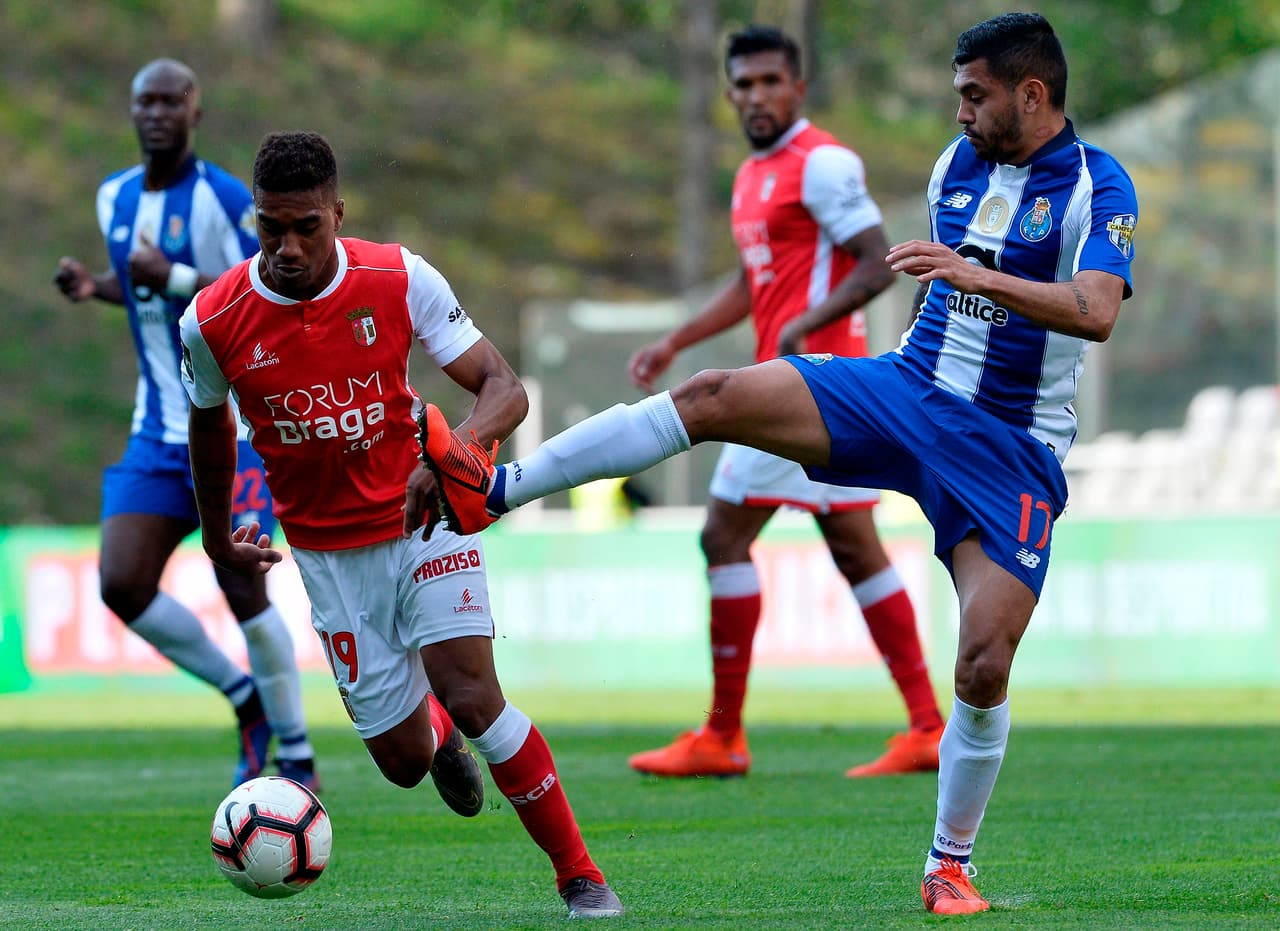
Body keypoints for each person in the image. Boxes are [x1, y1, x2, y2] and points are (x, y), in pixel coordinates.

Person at [422, 13, 1137, 915]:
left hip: (1010, 445)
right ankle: (497, 488)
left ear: (1031, 94)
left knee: (984, 666)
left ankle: (947, 864)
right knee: (712, 394)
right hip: (909, 390)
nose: (958, 113)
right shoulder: (953, 166)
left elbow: (1096, 309)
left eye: (974, 95)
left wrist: (975, 274)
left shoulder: (1096, 186)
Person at [179, 131, 623, 919]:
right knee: (404, 761)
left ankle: (578, 874)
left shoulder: (396, 275)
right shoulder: (213, 321)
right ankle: (436, 729)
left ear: (337, 214)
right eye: (269, 228)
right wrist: (217, 536)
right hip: (326, 555)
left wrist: (456, 454)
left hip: (425, 518)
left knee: (477, 692)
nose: (286, 246)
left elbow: (502, 387)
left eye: (305, 227)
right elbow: (209, 431)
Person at [624, 25, 944, 780]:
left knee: (726, 535)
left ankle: (724, 734)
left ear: (798, 88)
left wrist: (804, 325)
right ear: (729, 92)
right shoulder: (752, 175)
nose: (756, 96)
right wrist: (678, 339)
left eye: (771, 81)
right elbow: (751, 282)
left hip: (817, 385)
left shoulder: (823, 163)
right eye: (743, 84)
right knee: (845, 545)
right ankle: (927, 724)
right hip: (798, 385)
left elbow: (877, 261)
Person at [53, 59, 317, 790]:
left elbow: (263, 290)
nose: (158, 112)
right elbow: (140, 292)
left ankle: (296, 754)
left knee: (242, 584)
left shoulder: (224, 198)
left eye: (173, 100)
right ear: (131, 110)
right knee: (121, 581)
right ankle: (246, 701)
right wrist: (96, 288)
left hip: (232, 426)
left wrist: (168, 274)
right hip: (155, 428)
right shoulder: (113, 196)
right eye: (146, 100)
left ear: (195, 112)